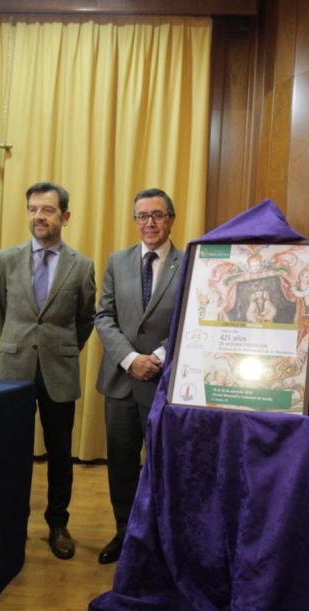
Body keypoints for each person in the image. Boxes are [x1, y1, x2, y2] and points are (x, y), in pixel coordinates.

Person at [0, 181, 96, 561]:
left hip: (60, 369)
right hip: (13, 367)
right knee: (12, 450)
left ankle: (58, 524)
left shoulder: (82, 266)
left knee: (60, 452)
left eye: (48, 210)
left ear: (64, 217)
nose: (39, 216)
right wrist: (18, 343)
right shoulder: (5, 259)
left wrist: (63, 349)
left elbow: (86, 318)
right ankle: (11, 521)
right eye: (33, 209)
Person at [94, 188, 183, 564]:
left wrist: (158, 357)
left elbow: (188, 319)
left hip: (163, 382)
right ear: (134, 221)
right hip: (121, 381)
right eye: (142, 216)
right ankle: (124, 533)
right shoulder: (118, 261)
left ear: (171, 219)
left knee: (164, 464)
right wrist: (130, 358)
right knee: (121, 462)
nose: (149, 223)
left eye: (157, 215)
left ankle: (161, 540)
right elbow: (104, 317)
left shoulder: (190, 262)